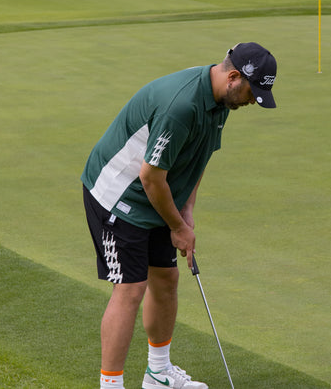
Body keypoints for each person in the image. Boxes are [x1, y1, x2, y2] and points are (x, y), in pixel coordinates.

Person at [81, 42, 277, 389]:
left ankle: (158, 374)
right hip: (118, 195)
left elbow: (199, 157)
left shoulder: (220, 102)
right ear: (234, 77)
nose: (251, 101)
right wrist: (176, 226)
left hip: (157, 196)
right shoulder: (182, 105)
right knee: (131, 288)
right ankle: (109, 385)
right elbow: (150, 176)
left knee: (166, 280)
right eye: (251, 91)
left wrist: (186, 212)